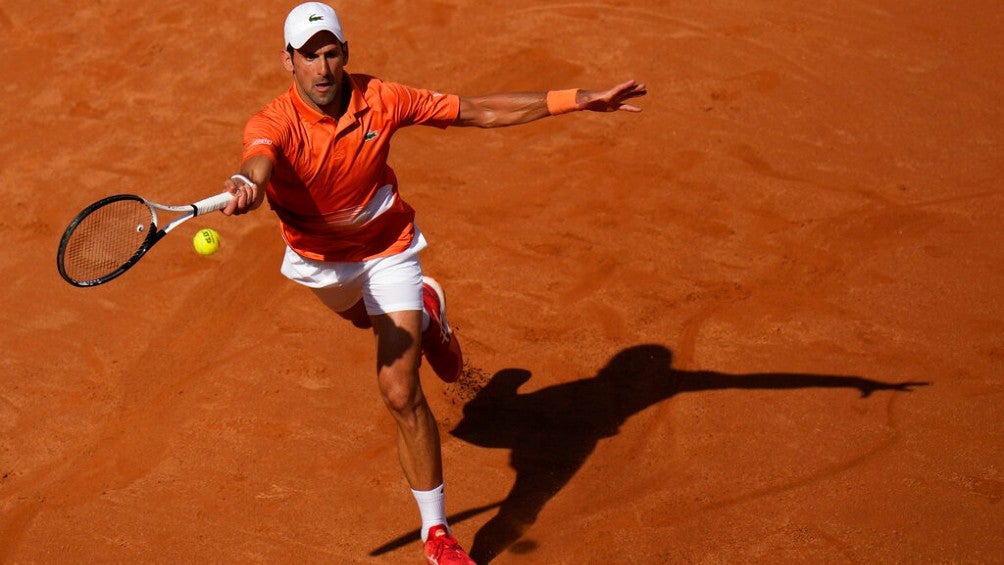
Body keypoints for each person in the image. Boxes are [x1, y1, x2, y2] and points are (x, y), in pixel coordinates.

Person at [220, 3, 646, 563]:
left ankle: (437, 535)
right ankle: (427, 313)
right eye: (309, 56)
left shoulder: (382, 99)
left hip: (386, 247)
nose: (322, 68)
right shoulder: (273, 123)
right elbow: (258, 162)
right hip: (321, 261)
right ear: (288, 61)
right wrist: (246, 185)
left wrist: (577, 98)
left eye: (331, 53)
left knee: (399, 390)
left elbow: (478, 110)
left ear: (345, 54)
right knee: (363, 320)